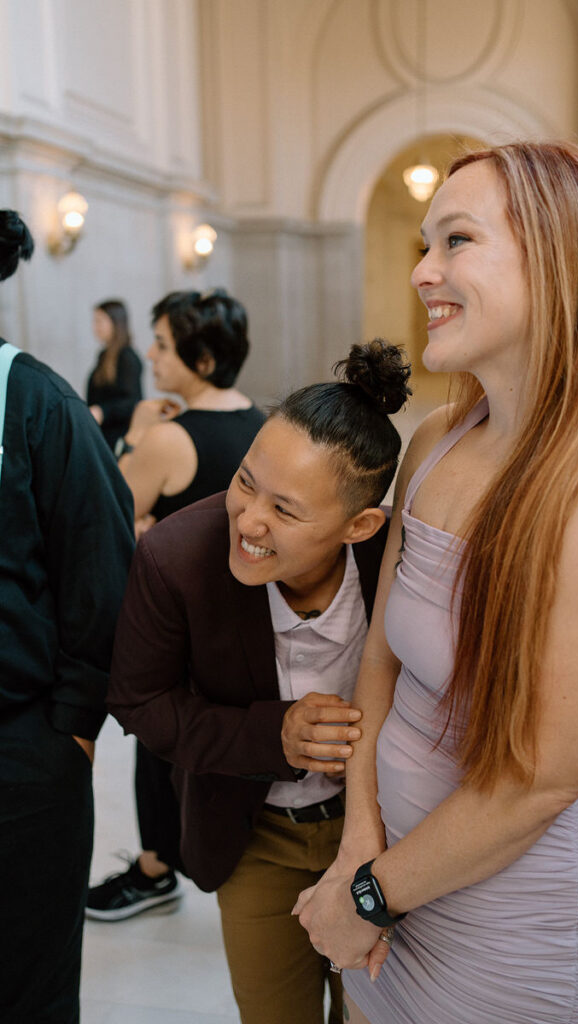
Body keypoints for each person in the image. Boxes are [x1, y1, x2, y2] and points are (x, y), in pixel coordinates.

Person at [294, 141, 578, 1024]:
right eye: (423, 246)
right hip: (391, 871)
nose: (422, 273)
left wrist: (367, 899)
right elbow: (380, 664)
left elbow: (537, 782)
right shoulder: (436, 440)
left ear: (555, 258)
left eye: (455, 241)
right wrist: (361, 844)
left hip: (526, 917)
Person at [106, 339, 411, 1024]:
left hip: (389, 833)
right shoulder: (175, 557)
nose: (247, 522)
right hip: (252, 834)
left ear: (360, 525)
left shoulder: (394, 561)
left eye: (287, 511)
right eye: (246, 482)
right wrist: (272, 734)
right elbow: (138, 701)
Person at [87, 288, 266, 921]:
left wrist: (134, 435)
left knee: (160, 741)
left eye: (164, 345)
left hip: (182, 626)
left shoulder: (167, 438)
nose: (153, 357)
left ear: (204, 360)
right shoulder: (264, 424)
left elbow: (109, 517)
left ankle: (156, 867)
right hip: (250, 624)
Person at [0, 211, 135, 1022]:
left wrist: (72, 730)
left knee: (26, 982)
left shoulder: (35, 402)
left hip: (19, 752)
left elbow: (100, 572)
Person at [87, 299, 143, 451]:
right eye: (94, 321)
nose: (95, 327)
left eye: (99, 321)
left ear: (115, 322)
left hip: (119, 437)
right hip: (103, 435)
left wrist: (102, 411)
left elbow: (132, 402)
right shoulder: (103, 355)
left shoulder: (127, 357)